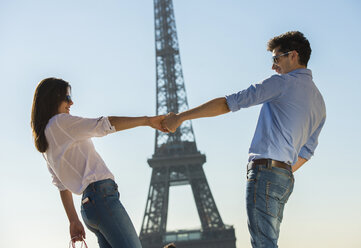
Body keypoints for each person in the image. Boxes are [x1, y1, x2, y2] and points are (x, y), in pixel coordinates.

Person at [161, 31, 326, 248]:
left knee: (263, 245)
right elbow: (306, 153)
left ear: (293, 55)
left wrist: (181, 118)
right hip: (284, 178)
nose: (273, 66)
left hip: (265, 171)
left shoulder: (281, 83)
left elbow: (230, 103)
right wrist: (280, 171)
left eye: (276, 58)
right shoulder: (319, 101)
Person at [31, 78, 168, 248]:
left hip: (89, 208)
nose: (71, 102)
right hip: (102, 198)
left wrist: (73, 220)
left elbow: (61, 185)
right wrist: (147, 121)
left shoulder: (44, 139)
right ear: (52, 99)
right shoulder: (59, 122)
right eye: (67, 97)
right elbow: (103, 125)